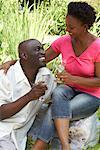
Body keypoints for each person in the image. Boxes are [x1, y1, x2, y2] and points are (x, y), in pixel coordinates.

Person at [1, 1, 100, 150]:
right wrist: (13, 62)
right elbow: (41, 58)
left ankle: (46, 146)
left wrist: (73, 79)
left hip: (90, 95)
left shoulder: (97, 47)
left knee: (56, 110)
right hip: (69, 90)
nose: (67, 30)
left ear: (85, 26)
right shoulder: (64, 41)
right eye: (67, 25)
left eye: (71, 27)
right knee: (59, 92)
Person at [0, 39, 56, 150]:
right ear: (24, 55)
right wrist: (29, 96)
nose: (43, 52)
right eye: (37, 49)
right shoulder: (5, 76)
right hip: (3, 129)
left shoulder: (46, 76)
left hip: (20, 134)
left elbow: (54, 98)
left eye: (42, 48)